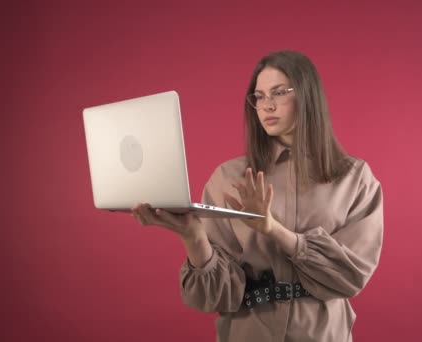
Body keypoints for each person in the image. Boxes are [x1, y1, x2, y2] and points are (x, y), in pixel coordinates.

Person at [131, 50, 384, 341]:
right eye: (259, 96)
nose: (267, 106)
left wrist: (272, 229)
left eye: (279, 93)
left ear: (308, 96)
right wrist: (193, 237)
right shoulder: (228, 177)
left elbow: (350, 275)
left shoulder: (354, 178)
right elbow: (215, 297)